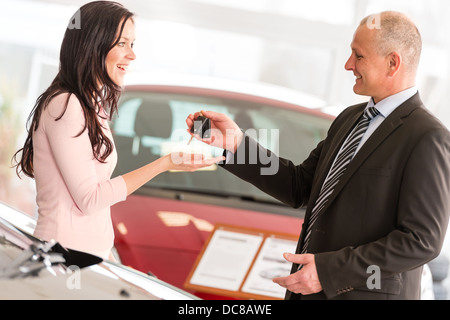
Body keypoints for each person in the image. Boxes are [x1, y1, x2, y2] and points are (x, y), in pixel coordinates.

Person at [187, 11, 450, 300]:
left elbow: (421, 241)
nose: (348, 65)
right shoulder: (350, 119)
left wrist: (328, 271)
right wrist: (237, 144)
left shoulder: (427, 136)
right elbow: (300, 186)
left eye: (358, 56)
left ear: (392, 62)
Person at [13, 1, 223, 260]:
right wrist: (165, 163)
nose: (132, 55)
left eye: (132, 45)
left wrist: (111, 261)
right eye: (122, 44)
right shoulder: (65, 105)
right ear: (93, 44)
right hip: (63, 258)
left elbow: (95, 210)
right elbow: (90, 199)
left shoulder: (92, 106)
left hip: (90, 258)